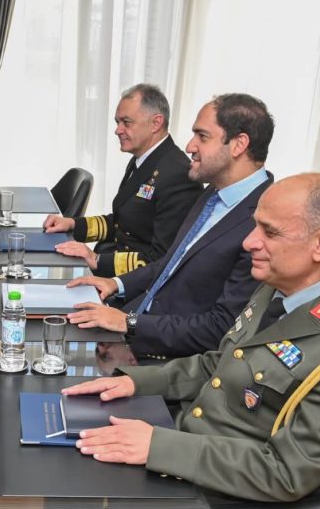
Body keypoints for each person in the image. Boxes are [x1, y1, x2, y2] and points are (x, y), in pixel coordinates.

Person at [62, 173, 320, 502]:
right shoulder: (280, 286)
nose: (249, 242)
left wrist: (159, 447)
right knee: (65, 450)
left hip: (220, 500)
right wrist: (135, 382)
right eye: (255, 226)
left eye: (270, 232)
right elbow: (219, 365)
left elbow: (286, 473)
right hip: (187, 442)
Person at [65, 93, 276, 359]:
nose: (189, 146)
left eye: (202, 136)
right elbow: (171, 264)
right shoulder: (213, 193)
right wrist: (116, 283)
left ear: (238, 144)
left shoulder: (266, 221)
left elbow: (220, 329)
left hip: (169, 359)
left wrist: (128, 323)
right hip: (137, 322)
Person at [44, 84, 203, 276]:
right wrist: (72, 225)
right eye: (117, 122)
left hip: (134, 282)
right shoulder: (144, 159)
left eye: (126, 122)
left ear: (155, 123)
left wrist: (97, 260)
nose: (118, 130)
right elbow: (122, 222)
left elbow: (162, 259)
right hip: (114, 268)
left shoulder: (179, 175)